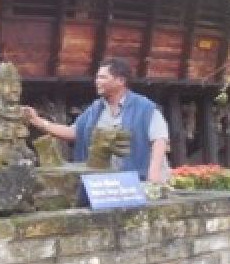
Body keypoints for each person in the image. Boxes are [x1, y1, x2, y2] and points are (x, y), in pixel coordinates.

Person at [23, 57, 170, 183]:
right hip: (105, 181)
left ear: (120, 81)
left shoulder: (144, 107)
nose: (97, 81)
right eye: (97, 77)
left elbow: (159, 140)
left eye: (103, 77)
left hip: (138, 180)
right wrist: (39, 122)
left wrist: (154, 174)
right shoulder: (96, 109)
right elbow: (74, 132)